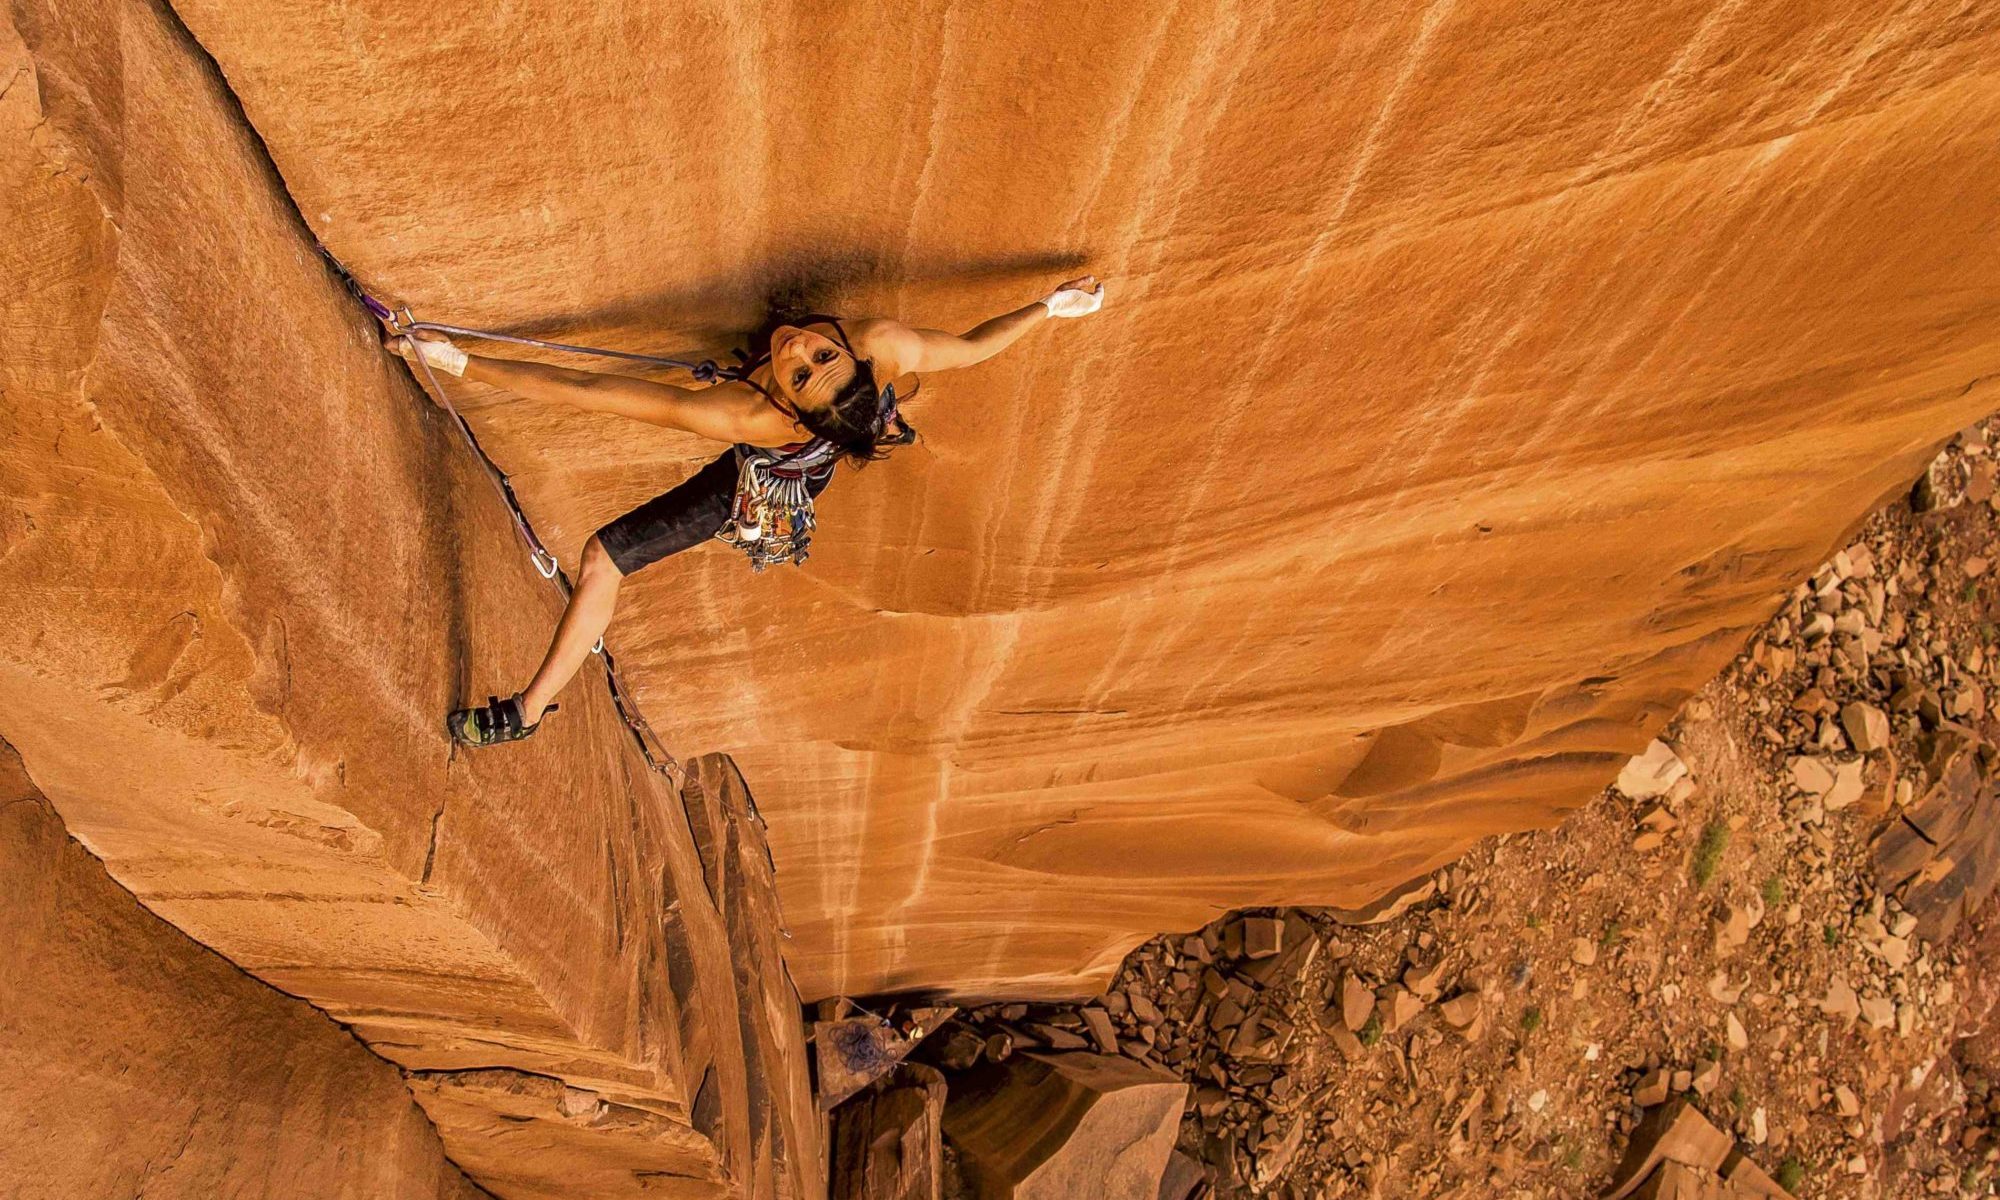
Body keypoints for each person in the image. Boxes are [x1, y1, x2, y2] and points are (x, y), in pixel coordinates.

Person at [388, 275, 1107, 746]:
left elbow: (600, 393)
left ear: (787, 403)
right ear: (854, 355)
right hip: (843, 420)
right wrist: (1051, 307)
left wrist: (461, 364)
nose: (799, 348)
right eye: (823, 355)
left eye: (799, 372)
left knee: (604, 557)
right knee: (880, 399)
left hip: (765, 482)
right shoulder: (884, 346)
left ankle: (529, 711)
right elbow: (978, 345)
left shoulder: (751, 418)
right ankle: (880, 424)